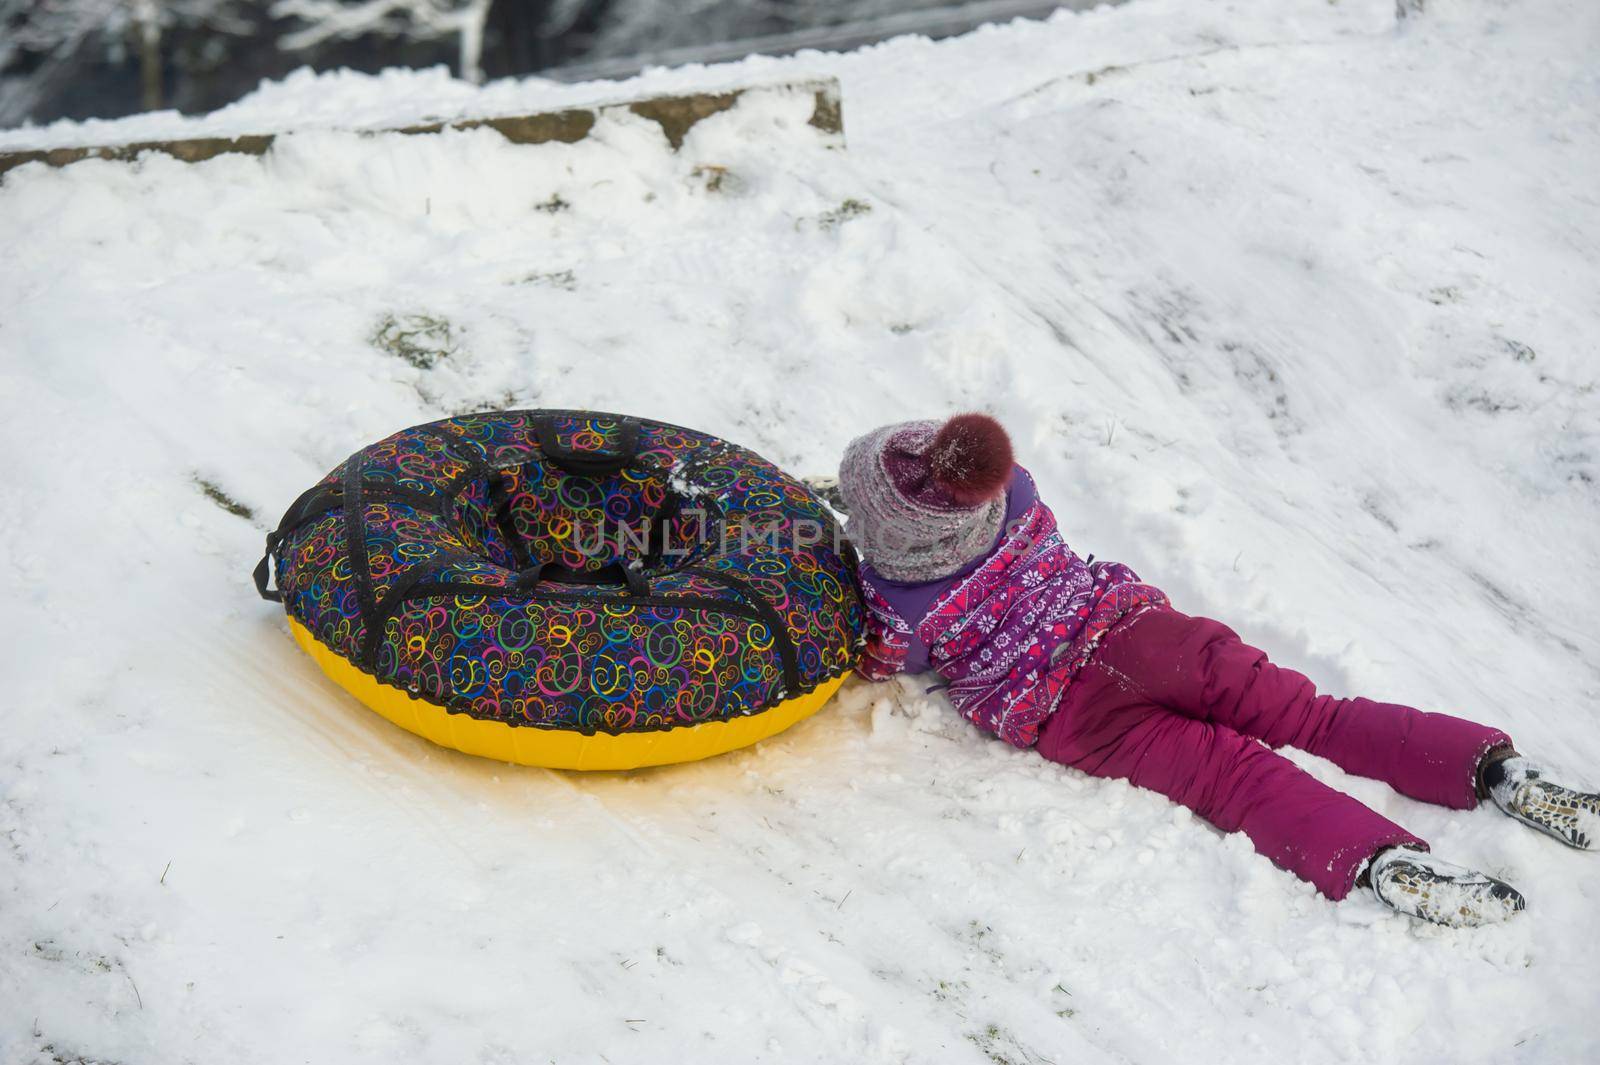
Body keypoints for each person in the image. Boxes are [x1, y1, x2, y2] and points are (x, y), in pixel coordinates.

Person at [815, 413, 1597, 927]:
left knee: (1233, 780)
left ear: (887, 538)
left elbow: (882, 659)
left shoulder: (899, 602)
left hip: (1072, 715)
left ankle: (1378, 862)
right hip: (1149, 634)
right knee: (1312, 714)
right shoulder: (1015, 493)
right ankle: (1492, 771)